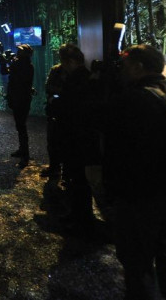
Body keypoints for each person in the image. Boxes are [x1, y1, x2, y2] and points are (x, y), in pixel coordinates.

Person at [103, 44, 166, 300]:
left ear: (138, 67)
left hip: (137, 194)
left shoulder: (132, 100)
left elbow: (116, 149)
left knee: (137, 262)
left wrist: (111, 192)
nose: (122, 70)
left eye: (125, 65)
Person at [51, 43, 98, 231]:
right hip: (79, 135)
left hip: (76, 135)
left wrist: (57, 103)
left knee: (78, 178)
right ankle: (79, 214)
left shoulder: (78, 79)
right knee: (77, 178)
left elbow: (70, 107)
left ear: (70, 61)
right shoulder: (86, 77)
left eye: (64, 62)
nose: (62, 66)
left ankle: (81, 218)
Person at [5, 44, 35, 164]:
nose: (17, 52)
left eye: (20, 51)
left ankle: (25, 155)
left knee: (21, 126)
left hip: (21, 99)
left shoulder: (26, 65)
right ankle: (22, 150)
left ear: (25, 54)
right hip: (18, 98)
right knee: (19, 125)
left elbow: (16, 76)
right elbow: (7, 72)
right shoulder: (21, 64)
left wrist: (9, 62)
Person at [41, 62, 66, 178]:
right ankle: (56, 167)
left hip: (62, 111)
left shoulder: (64, 71)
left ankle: (59, 168)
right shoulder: (56, 70)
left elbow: (49, 86)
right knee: (52, 141)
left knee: (59, 141)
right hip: (54, 110)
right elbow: (48, 86)